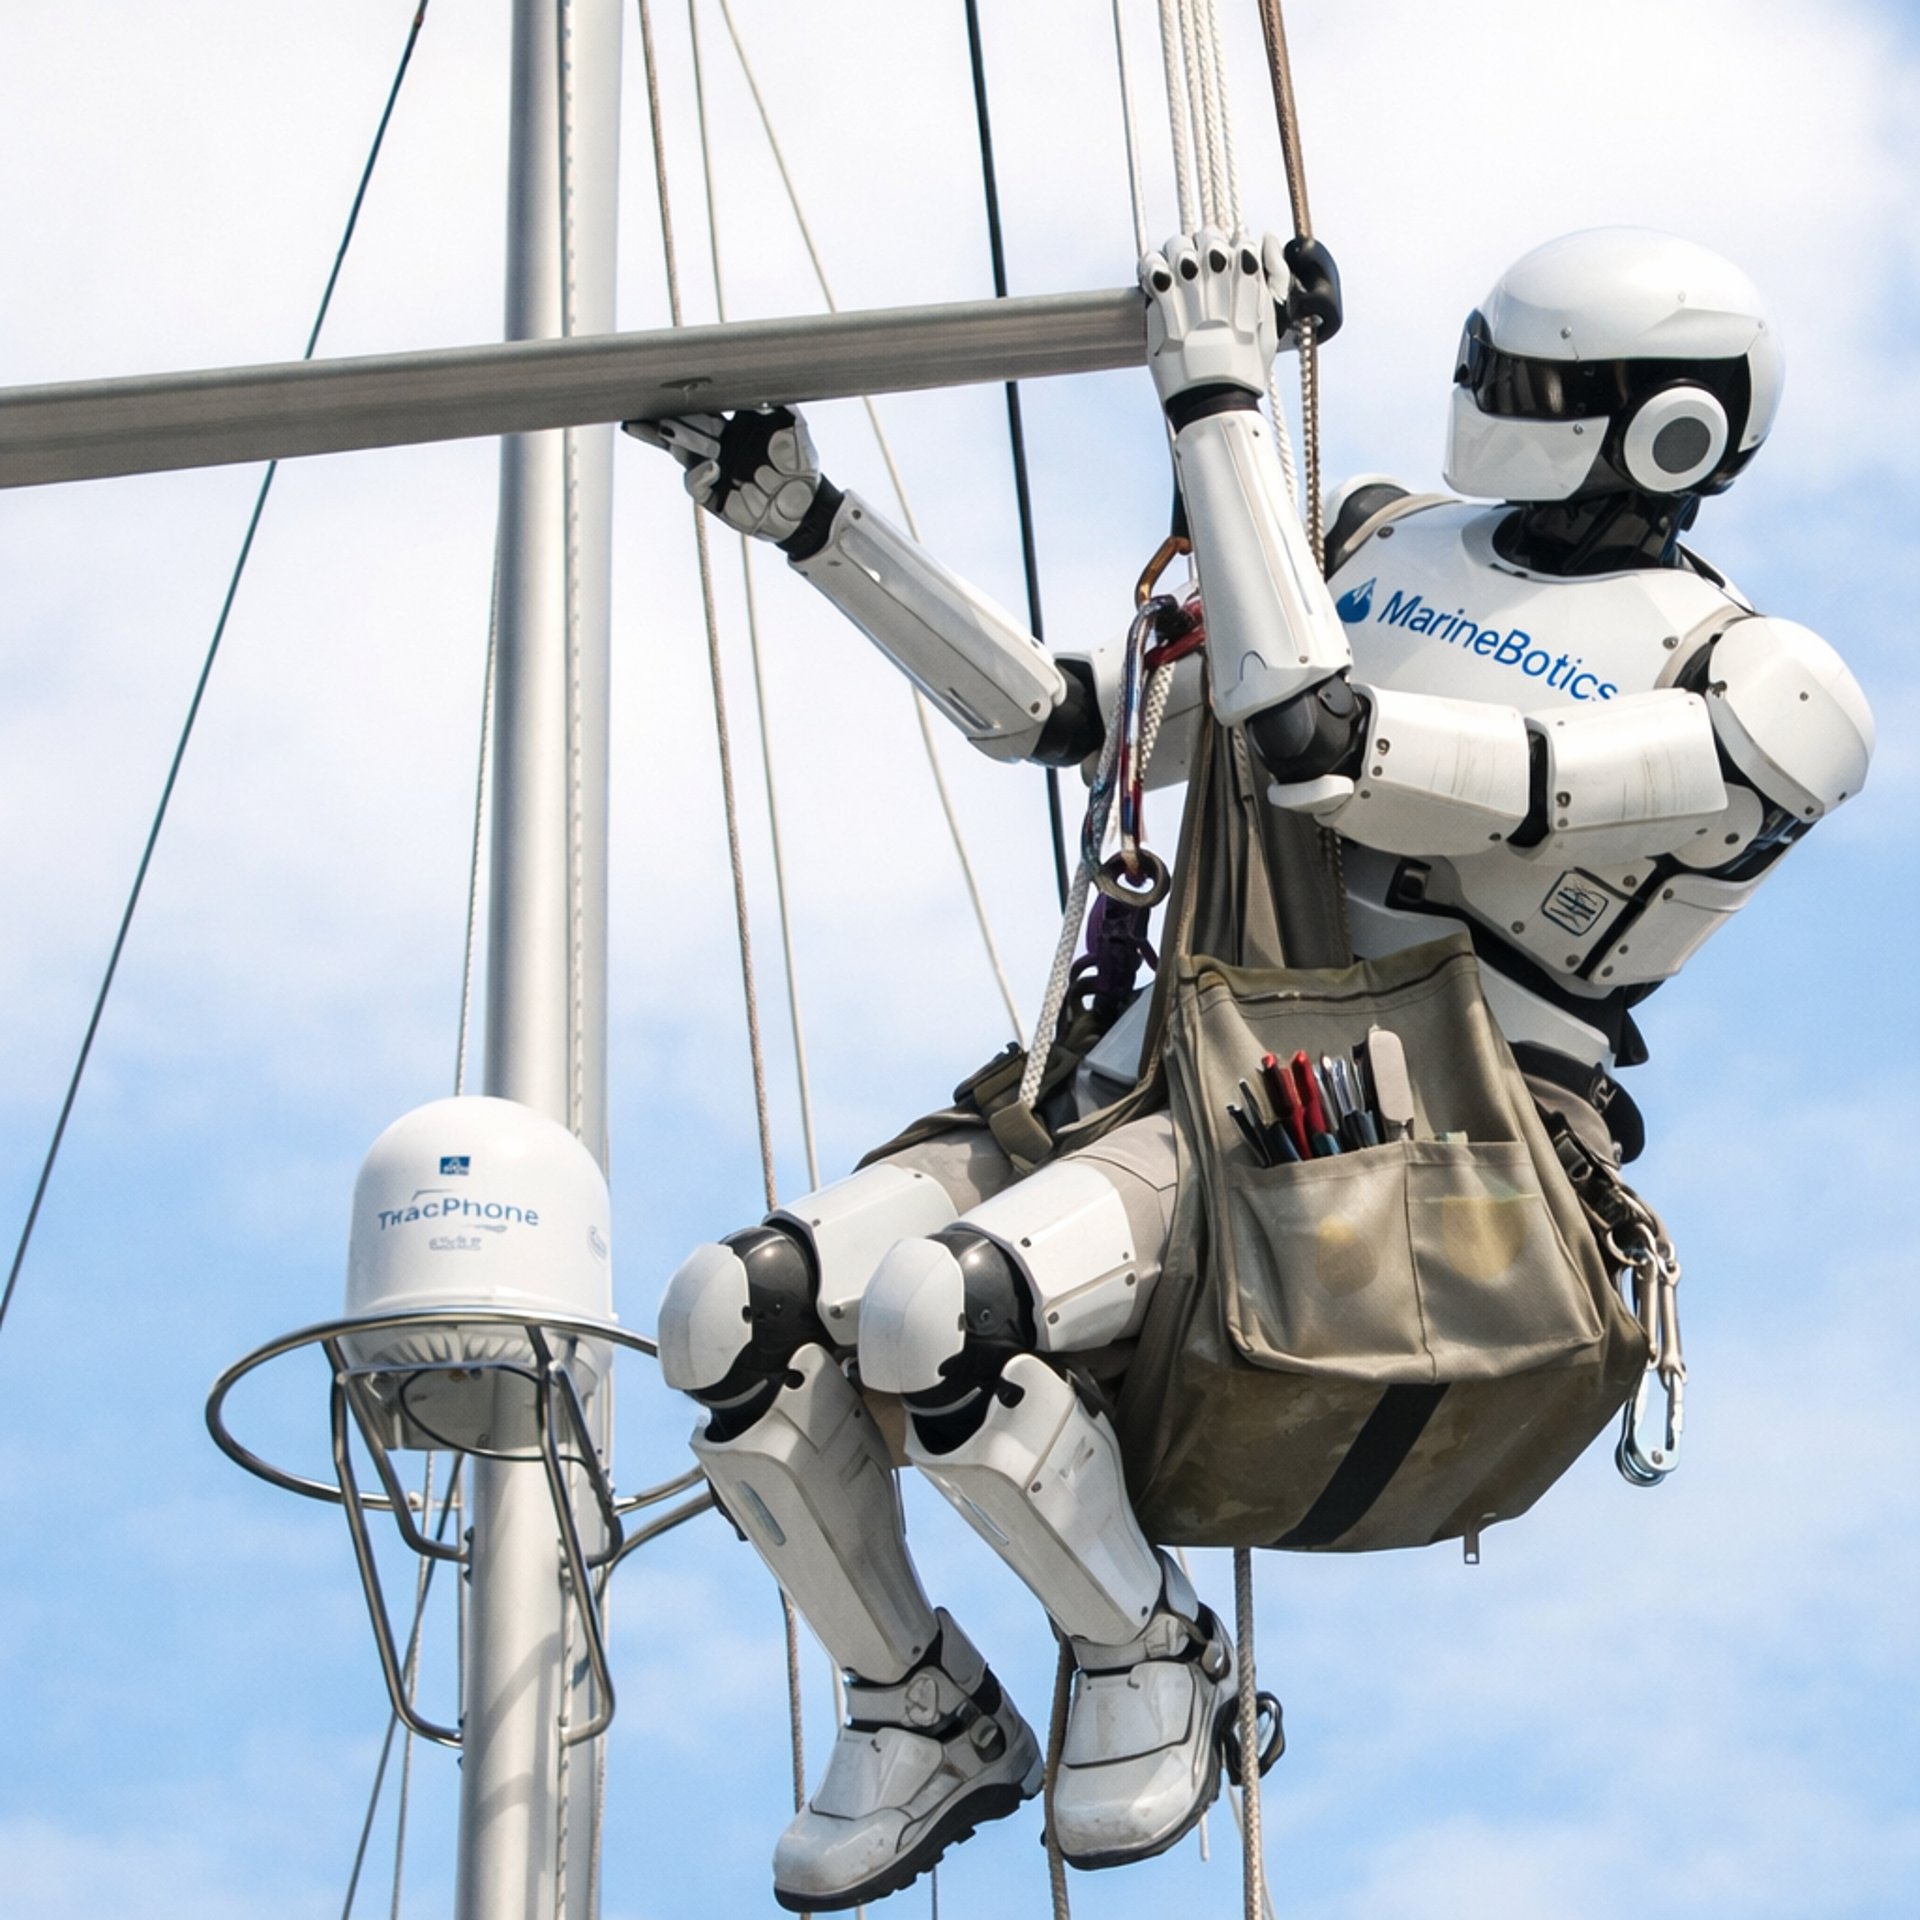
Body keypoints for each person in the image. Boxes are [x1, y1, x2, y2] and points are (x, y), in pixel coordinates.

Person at [632, 226, 1874, 1913]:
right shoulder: (1378, 535)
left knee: (941, 1312)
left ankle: (1151, 1655)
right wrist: (818, 527)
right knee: (734, 1314)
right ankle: (915, 1702)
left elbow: (1332, 752)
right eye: (1490, 371)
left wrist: (1216, 398)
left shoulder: (1753, 689)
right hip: (1162, 1068)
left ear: (1665, 431)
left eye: (1536, 389)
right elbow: (1082, 720)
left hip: (1408, 1134)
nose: (1490, 407)